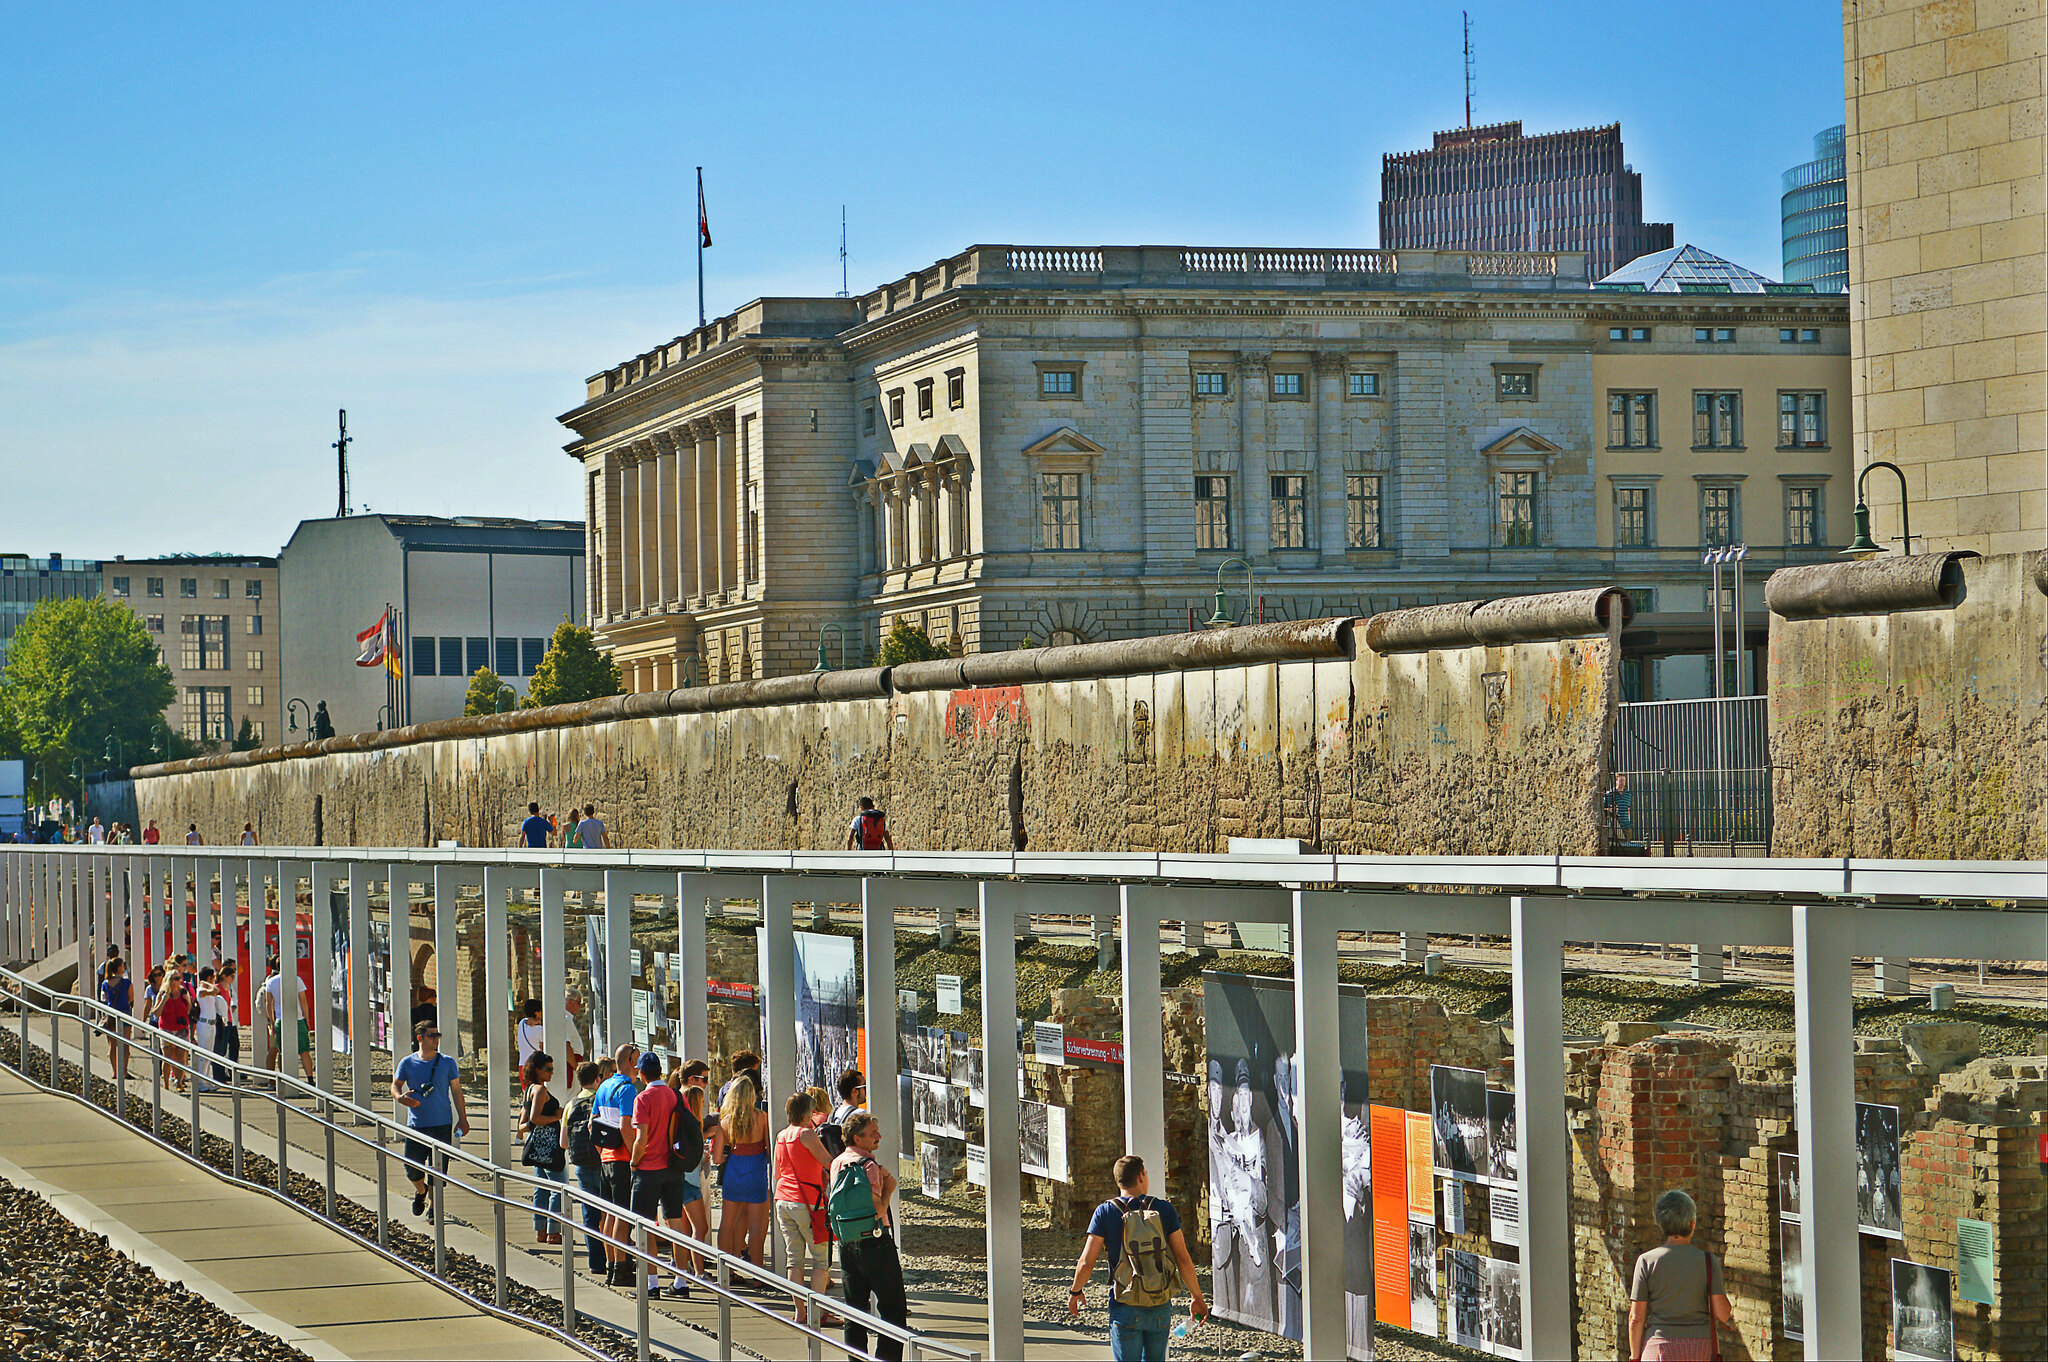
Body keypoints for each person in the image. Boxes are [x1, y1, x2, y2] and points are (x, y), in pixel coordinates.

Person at [1068, 1154, 1208, 1362]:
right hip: (1159, 1302)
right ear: (1141, 1176)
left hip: (1125, 1303)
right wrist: (1197, 1296)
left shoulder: (1105, 1212)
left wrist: (1076, 1290)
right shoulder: (1163, 1209)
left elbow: (1087, 1262)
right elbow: (1183, 1259)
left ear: (1118, 1181)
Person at [827, 1109, 907, 1361]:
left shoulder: (838, 1162)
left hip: (848, 1243)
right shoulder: (868, 1166)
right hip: (875, 1243)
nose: (879, 1137)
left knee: (855, 1311)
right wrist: (890, 1189)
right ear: (857, 1139)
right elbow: (878, 1208)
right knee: (893, 1309)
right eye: (873, 1134)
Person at [1628, 1189, 1731, 1361]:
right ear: (1692, 1224)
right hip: (1700, 1349)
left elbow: (1636, 1318)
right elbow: (1723, 1314)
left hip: (1659, 1347)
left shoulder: (1646, 1261)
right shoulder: (1707, 1261)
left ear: (1662, 1224)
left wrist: (1634, 1357)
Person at [627, 1051, 689, 1299]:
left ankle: (651, 1284)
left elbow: (641, 1139)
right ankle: (681, 1281)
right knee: (675, 1224)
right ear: (660, 1071)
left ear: (641, 1074)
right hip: (673, 1168)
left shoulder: (643, 1098)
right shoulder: (676, 1095)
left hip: (648, 1169)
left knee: (645, 1226)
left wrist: (633, 1162)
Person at [392, 1020, 468, 1217]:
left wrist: (463, 1118)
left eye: (438, 1035)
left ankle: (434, 1208)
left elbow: (457, 1091)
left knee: (438, 1170)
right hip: (417, 1125)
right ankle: (421, 1191)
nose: (436, 1039)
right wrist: (400, 1098)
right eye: (432, 1035)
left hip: (442, 1123)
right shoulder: (407, 1063)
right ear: (420, 1038)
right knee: (412, 1168)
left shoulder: (448, 1062)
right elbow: (395, 1085)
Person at [773, 1091, 837, 1325]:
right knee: (821, 1260)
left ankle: (800, 1312)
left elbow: (778, 1173)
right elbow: (828, 1162)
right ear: (806, 1112)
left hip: (784, 1200)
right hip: (808, 1202)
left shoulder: (781, 1135)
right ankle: (818, 1313)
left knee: (794, 1260)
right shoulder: (806, 1134)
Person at [592, 1042, 643, 1285]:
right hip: (622, 1159)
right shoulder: (628, 1089)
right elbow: (626, 1125)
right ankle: (620, 1267)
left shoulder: (604, 1085)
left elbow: (593, 1124)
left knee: (608, 1215)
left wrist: (602, 1150)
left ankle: (612, 1264)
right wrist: (635, 1156)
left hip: (606, 1158)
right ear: (632, 1063)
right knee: (621, 1215)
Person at [715, 1071, 772, 1269]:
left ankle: (726, 1270)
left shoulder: (725, 1122)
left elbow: (716, 1158)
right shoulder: (762, 1117)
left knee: (727, 1223)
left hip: (734, 1170)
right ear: (752, 1095)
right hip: (756, 1171)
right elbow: (768, 1149)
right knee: (756, 1226)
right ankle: (757, 1273)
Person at [564, 1060, 608, 1274]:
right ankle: (615, 1259)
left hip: (581, 1164)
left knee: (589, 1214)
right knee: (609, 1212)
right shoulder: (601, 1099)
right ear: (598, 1078)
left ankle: (596, 1263)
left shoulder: (571, 1104)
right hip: (603, 1162)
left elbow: (564, 1142)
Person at [519, 1051, 566, 1245]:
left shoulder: (529, 1089)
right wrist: (559, 1116)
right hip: (549, 1143)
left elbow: (522, 1125)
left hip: (537, 1144)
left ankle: (540, 1230)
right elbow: (535, 1118)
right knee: (559, 1188)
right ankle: (553, 1231)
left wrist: (530, 1126)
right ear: (537, 1070)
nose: (551, 1073)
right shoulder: (540, 1090)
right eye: (548, 1069)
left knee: (541, 1187)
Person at [262, 954, 315, 1081]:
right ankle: (310, 1078)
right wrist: (307, 1020)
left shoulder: (271, 982)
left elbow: (269, 1004)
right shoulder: (297, 980)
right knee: (304, 1051)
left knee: (282, 1051)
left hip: (280, 1020)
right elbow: (303, 1001)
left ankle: (284, 1078)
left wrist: (272, 1022)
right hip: (298, 1018)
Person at [150, 966, 195, 1093]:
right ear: (169, 980)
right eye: (176, 978)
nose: (179, 980)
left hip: (181, 1028)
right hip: (167, 1029)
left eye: (179, 978)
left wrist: (189, 1002)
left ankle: (180, 1083)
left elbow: (189, 1011)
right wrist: (163, 1001)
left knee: (181, 1056)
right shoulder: (163, 993)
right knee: (168, 1057)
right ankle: (165, 1083)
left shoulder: (183, 993)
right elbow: (156, 1013)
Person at [100, 957, 133, 1079]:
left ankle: (115, 1071)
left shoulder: (105, 983)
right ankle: (124, 1070)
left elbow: (106, 999)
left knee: (112, 1045)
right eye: (123, 966)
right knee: (125, 1044)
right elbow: (131, 998)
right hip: (124, 1013)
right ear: (119, 968)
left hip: (111, 1014)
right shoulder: (126, 983)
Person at [215, 959, 242, 1079]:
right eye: (232, 976)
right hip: (223, 1022)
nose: (233, 978)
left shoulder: (228, 988)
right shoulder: (218, 988)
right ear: (224, 976)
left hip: (230, 1020)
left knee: (235, 1045)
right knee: (221, 1048)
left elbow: (232, 1000)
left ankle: (233, 1070)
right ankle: (220, 1074)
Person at [516, 998, 545, 1071]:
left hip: (522, 1065)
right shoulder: (540, 1030)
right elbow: (544, 1049)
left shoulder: (522, 1023)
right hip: (536, 1066)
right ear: (537, 1013)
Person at [1603, 773, 1635, 841]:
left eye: (1623, 780)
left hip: (1626, 824)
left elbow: (1628, 808)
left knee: (1628, 843)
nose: (1622, 783)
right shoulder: (1610, 794)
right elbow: (1603, 808)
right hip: (1615, 825)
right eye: (1620, 780)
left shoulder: (1628, 794)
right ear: (1616, 781)